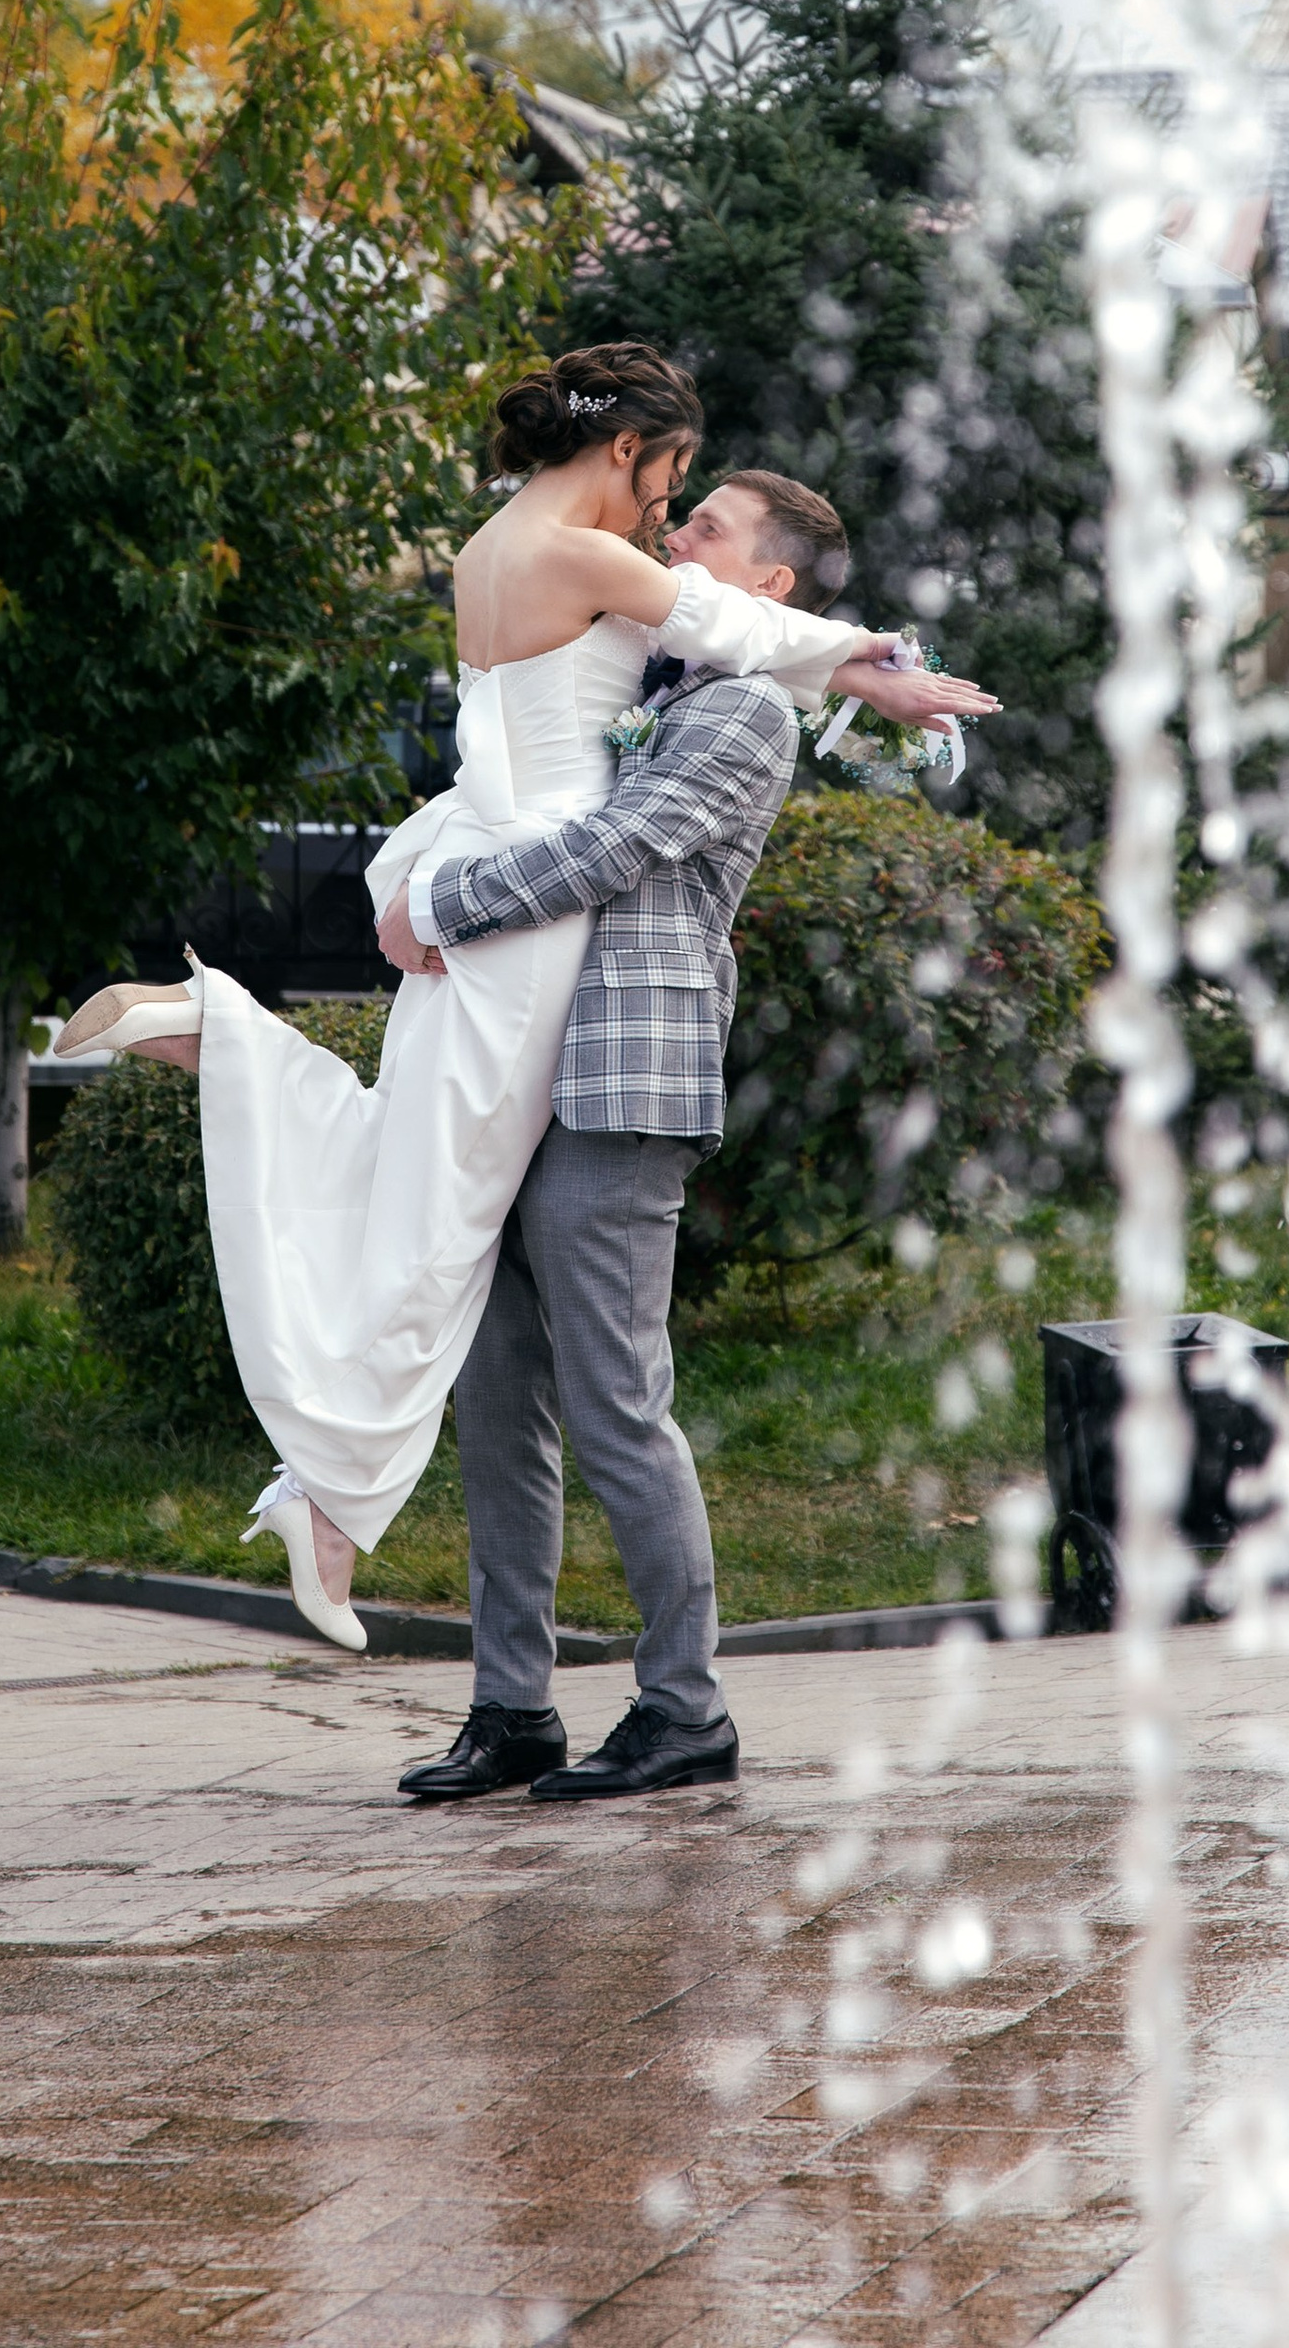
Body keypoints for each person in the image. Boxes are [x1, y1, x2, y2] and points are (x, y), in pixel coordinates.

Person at [52, 343, 989, 1655]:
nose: (669, 514)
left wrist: (427, 877)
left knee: (410, 1161)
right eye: (672, 483)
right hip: (524, 922)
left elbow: (586, 717)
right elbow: (731, 630)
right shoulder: (609, 571)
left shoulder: (494, 552)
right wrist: (869, 662)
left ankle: (231, 1055)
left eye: (698, 514)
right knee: (432, 1213)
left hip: (487, 878)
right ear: (624, 450)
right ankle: (338, 1499)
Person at [381, 466, 864, 1804]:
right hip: (518, 1075)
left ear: (764, 587)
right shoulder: (646, 683)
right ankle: (511, 1708)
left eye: (705, 526)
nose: (671, 532)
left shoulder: (746, 713)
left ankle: (684, 1709)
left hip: (618, 1087)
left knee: (614, 1406)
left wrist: (444, 901)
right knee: (499, 1409)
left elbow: (613, 844)